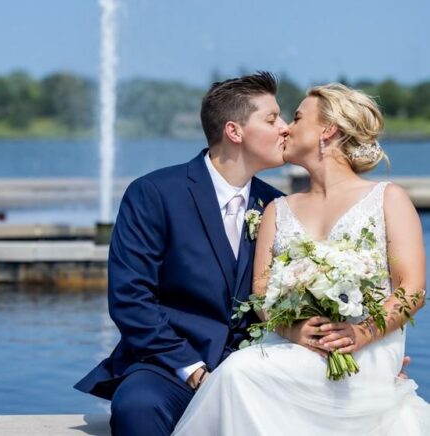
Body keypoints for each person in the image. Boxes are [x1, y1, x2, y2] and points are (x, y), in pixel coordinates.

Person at [173, 83, 429, 435]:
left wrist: (362, 333)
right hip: (290, 344)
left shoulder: (388, 199)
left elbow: (412, 289)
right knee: (237, 371)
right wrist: (291, 329)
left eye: (296, 117)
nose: (286, 128)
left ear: (328, 130)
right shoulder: (277, 210)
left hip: (367, 348)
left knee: (239, 373)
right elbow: (261, 293)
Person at [74, 72, 291, 435]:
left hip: (256, 365)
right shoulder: (154, 194)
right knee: (138, 407)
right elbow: (131, 298)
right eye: (272, 119)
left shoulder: (278, 205)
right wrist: (189, 366)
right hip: (167, 366)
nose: (285, 128)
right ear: (234, 132)